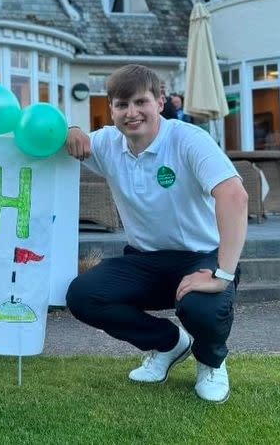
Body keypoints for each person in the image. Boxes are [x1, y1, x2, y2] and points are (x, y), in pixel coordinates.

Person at [65, 64, 247, 403]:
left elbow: (234, 195)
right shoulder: (106, 143)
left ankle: (210, 362)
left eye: (140, 102)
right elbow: (60, 140)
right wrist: (71, 127)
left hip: (202, 255)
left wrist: (222, 273)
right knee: (82, 296)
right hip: (145, 260)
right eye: (121, 105)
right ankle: (168, 343)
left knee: (202, 310)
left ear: (160, 102)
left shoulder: (189, 139)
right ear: (111, 110)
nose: (131, 113)